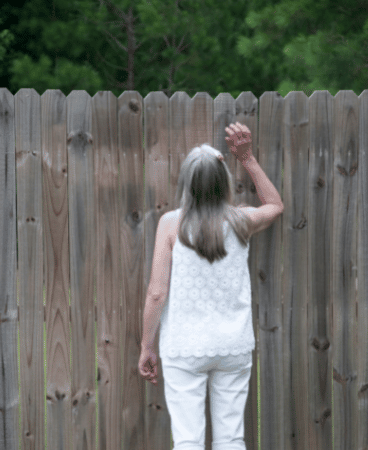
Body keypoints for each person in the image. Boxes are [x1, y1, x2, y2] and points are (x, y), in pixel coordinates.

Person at [139, 122, 284, 450]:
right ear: (224, 182)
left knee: (188, 441)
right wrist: (246, 158)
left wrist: (147, 346)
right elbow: (275, 205)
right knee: (231, 439)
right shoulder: (240, 220)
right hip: (233, 345)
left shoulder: (171, 224)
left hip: (184, 347)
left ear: (187, 184)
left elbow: (157, 293)